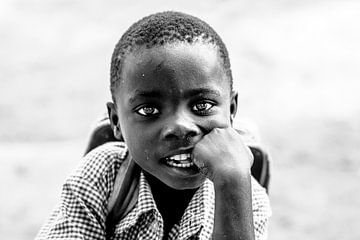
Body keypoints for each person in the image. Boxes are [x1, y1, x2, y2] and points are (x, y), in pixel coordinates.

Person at [36, 11, 271, 240]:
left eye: (202, 106)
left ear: (231, 110)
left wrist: (231, 183)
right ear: (116, 121)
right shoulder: (102, 178)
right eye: (149, 110)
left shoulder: (247, 195)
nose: (181, 127)